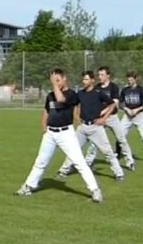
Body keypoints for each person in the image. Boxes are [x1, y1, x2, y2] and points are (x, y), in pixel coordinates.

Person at [16, 68, 104, 203]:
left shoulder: (71, 94)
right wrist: (44, 126)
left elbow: (61, 99)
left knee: (79, 162)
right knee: (40, 162)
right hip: (51, 133)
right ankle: (28, 186)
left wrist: (54, 85)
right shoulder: (50, 95)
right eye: (53, 80)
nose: (55, 83)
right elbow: (47, 110)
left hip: (66, 134)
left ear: (64, 79)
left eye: (58, 80)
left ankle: (95, 190)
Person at [56, 70, 125, 182]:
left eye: (86, 79)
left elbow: (112, 104)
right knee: (73, 150)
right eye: (83, 79)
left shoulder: (98, 93)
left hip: (96, 128)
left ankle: (119, 173)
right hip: (83, 128)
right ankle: (63, 170)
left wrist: (104, 118)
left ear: (92, 80)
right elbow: (75, 106)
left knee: (107, 152)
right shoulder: (80, 94)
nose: (84, 81)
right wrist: (77, 118)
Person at [77, 66, 135, 172]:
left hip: (112, 117)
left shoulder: (113, 87)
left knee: (121, 139)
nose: (100, 77)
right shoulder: (97, 87)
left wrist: (104, 112)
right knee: (94, 142)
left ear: (108, 76)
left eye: (102, 74)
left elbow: (115, 103)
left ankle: (129, 161)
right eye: (99, 75)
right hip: (98, 119)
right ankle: (88, 161)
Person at [118, 71, 143, 163]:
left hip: (138, 115)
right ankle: (117, 153)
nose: (129, 81)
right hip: (127, 115)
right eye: (128, 80)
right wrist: (126, 109)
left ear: (135, 79)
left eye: (131, 80)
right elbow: (120, 103)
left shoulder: (141, 90)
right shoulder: (125, 90)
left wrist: (137, 109)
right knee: (120, 135)